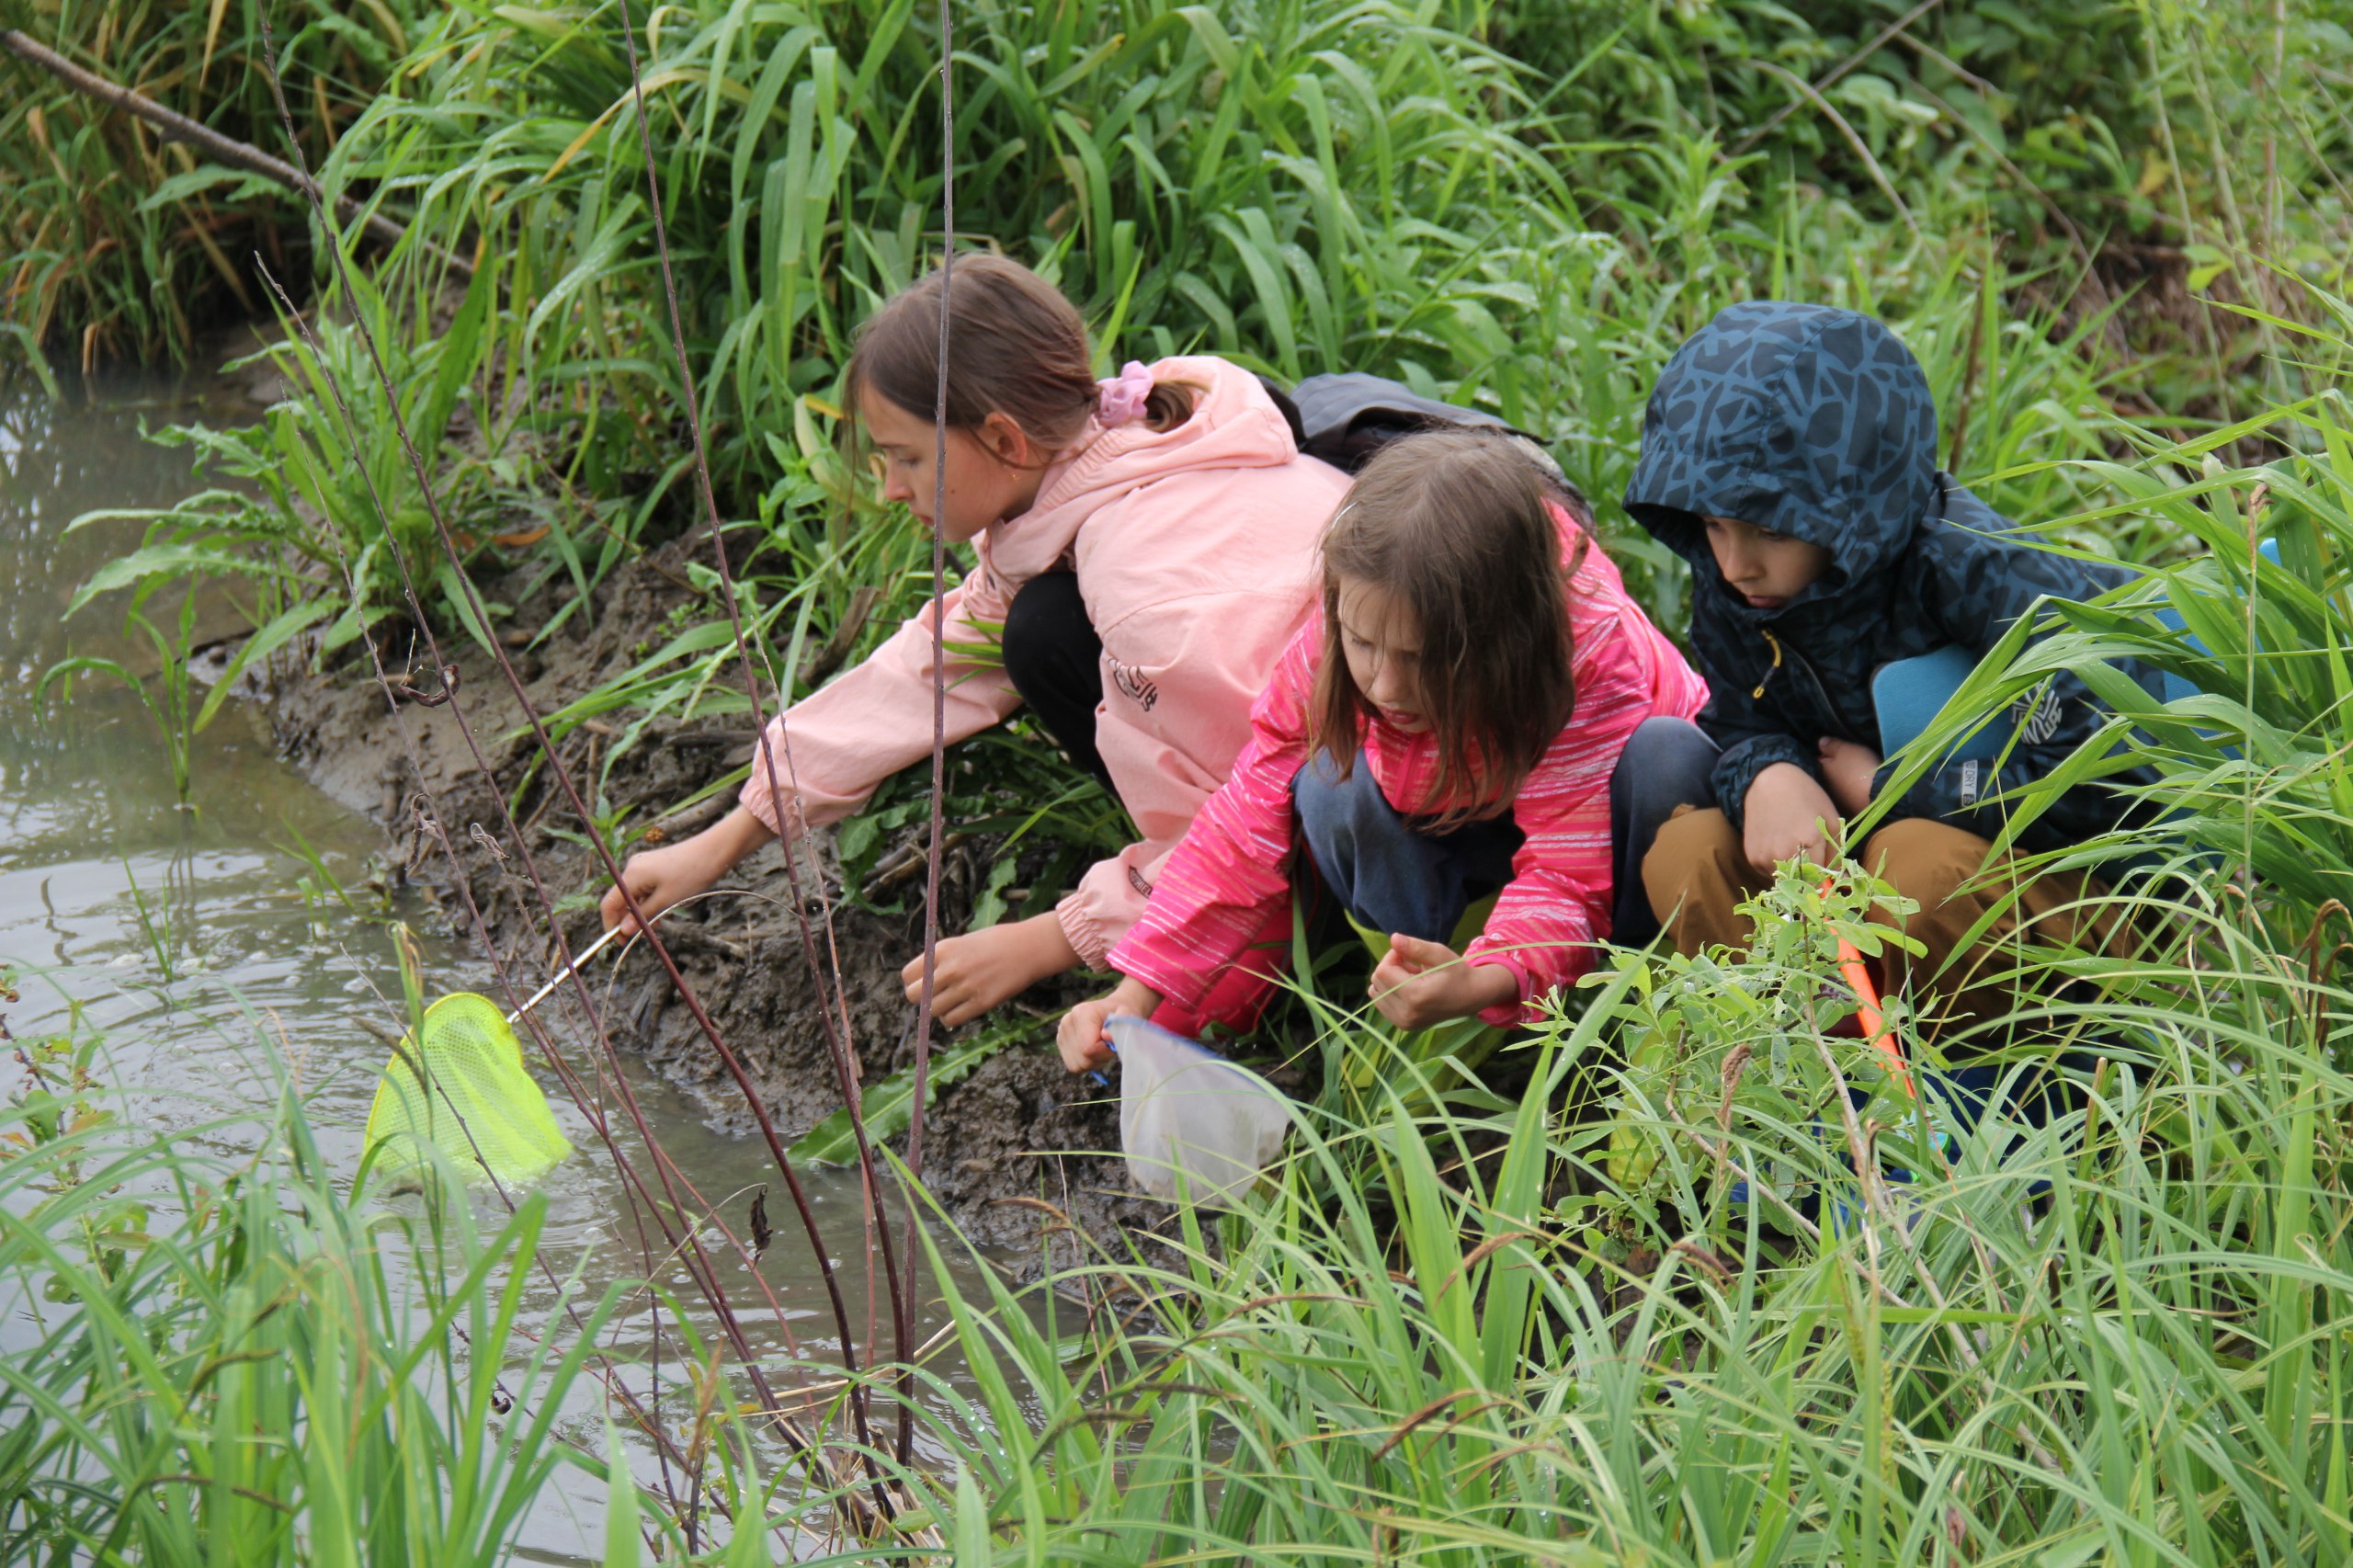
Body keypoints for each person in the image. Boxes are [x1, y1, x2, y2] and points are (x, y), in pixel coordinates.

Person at [599, 255, 1352, 1031]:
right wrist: (726, 838)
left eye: (907, 458)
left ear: (1002, 438)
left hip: (1361, 798)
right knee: (1038, 626)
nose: (891, 488)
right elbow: (930, 669)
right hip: (1293, 745)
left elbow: (1259, 815)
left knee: (1209, 997)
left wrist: (1054, 936)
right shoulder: (1111, 457)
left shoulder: (1146, 594)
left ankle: (1308, 946)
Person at [1056, 429, 1715, 1073]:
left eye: (1422, 658)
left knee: (1666, 757)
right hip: (1469, 799)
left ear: (1506, 638)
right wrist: (1136, 995)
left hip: (1614, 839)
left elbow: (1570, 869)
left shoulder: (1588, 657)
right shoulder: (1356, 620)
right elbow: (1242, 827)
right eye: (1364, 644)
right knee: (1327, 782)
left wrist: (1487, 979)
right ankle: (1419, 979)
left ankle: (1648, 1008)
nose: (1386, 686)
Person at [1621, 301, 2152, 1032]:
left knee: (1916, 867)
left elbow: (2109, 789)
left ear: (1851, 507)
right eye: (1713, 525)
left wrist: (1891, 791)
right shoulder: (1738, 587)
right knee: (1689, 855)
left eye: (1771, 530)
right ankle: (1817, 1071)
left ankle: (1980, 1079)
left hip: (2061, 900)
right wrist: (1766, 771)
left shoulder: (1984, 576)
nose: (1735, 563)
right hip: (1863, 885)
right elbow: (1740, 717)